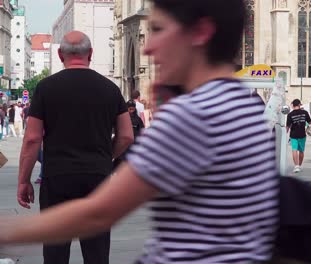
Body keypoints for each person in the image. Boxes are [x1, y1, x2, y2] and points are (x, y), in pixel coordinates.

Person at [1, 1, 278, 264]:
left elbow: (98, 213)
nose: (148, 48)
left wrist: (8, 231)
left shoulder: (192, 115)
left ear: (200, 33)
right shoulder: (245, 106)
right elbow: (126, 138)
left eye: (158, 30)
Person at [16, 31, 134, 264]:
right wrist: (104, 157)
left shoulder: (46, 88)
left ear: (60, 55)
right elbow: (127, 136)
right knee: (97, 252)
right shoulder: (110, 89)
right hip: (97, 177)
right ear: (90, 54)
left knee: (56, 251)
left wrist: (23, 180)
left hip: (57, 176)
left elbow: (31, 139)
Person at [112, 100, 144, 169]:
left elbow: (142, 132)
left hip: (133, 149)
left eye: (133, 109)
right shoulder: (122, 118)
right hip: (123, 148)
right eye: (130, 109)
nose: (131, 111)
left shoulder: (138, 120)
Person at [287, 99, 311, 173]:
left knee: (294, 149)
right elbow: (310, 122)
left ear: (293, 105)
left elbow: (287, 126)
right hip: (302, 134)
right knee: (301, 151)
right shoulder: (305, 112)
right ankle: (299, 165)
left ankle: (296, 166)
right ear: (299, 105)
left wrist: (285, 133)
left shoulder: (290, 114)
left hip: (293, 135)